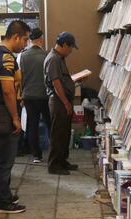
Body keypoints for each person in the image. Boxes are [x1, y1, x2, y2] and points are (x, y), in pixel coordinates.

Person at [0, 20, 30, 213]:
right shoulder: (6, 58)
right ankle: (1, 203)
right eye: (25, 39)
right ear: (15, 37)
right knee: (5, 159)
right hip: (3, 113)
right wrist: (15, 117)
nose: (26, 44)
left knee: (4, 158)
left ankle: (3, 194)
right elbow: (8, 91)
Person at [44, 32, 79, 175]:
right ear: (64, 45)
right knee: (57, 134)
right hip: (58, 101)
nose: (71, 51)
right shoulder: (53, 59)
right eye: (70, 48)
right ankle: (54, 165)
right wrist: (65, 102)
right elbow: (56, 82)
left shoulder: (59, 58)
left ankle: (62, 161)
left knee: (64, 133)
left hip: (62, 100)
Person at [19, 28, 51, 163]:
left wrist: (21, 94)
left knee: (32, 125)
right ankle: (54, 153)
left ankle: (36, 155)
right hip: (44, 95)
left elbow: (21, 77)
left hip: (29, 96)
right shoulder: (46, 55)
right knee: (50, 124)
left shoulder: (23, 56)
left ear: (30, 40)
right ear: (41, 39)